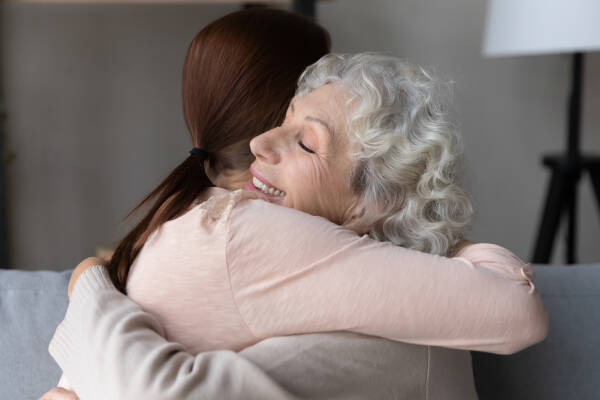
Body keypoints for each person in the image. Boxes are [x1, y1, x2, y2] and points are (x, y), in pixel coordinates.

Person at [42, 17, 548, 400]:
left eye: (306, 144)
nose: (262, 142)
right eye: (283, 119)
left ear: (373, 201)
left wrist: (90, 285)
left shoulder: (212, 218)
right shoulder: (245, 227)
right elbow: (514, 309)